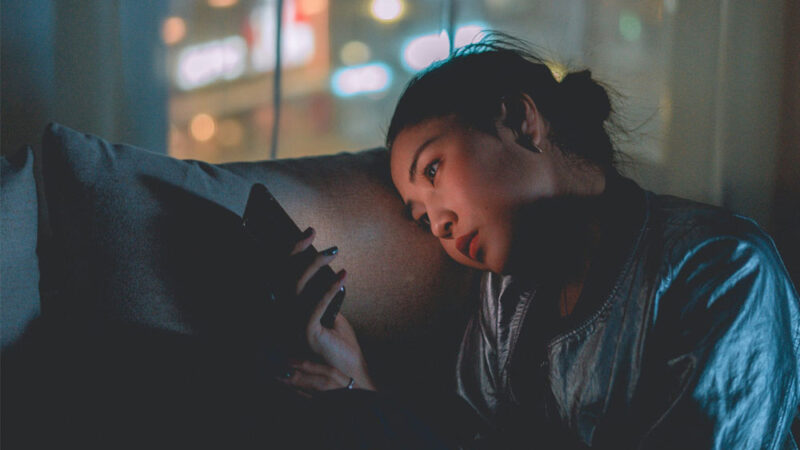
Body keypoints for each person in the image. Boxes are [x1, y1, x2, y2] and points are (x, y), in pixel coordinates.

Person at [277, 35, 800, 448]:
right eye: (420, 218)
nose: (438, 226)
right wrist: (360, 388)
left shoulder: (723, 267)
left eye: (433, 170)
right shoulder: (505, 300)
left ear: (522, 121)